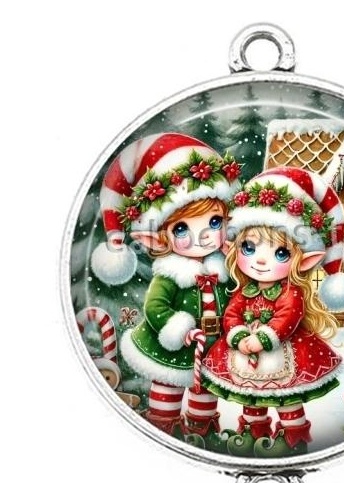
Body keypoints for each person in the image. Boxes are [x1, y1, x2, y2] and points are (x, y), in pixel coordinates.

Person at [91, 132, 242, 451]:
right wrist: (178, 328)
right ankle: (164, 430)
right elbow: (155, 308)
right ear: (158, 237)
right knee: (167, 389)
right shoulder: (170, 276)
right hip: (173, 348)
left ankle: (202, 431)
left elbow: (234, 297)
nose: (203, 236)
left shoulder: (222, 269)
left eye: (214, 222)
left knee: (206, 392)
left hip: (211, 348)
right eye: (182, 228)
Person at [201, 167, 344, 456]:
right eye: (249, 247)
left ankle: (292, 438)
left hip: (284, 354)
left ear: (303, 260)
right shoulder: (244, 290)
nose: (261, 261)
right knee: (250, 396)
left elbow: (288, 317)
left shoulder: (290, 292)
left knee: (287, 399)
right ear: (232, 249)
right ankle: (251, 432)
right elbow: (232, 314)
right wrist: (237, 335)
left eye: (280, 253)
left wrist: (264, 338)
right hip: (243, 356)